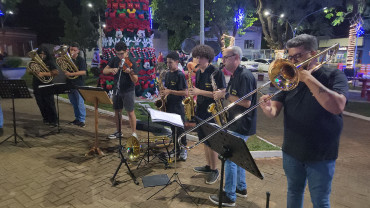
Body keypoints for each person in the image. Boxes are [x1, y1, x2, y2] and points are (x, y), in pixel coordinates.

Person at [259, 34, 348, 208]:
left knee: (320, 200)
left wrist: (307, 78)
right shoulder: (289, 79)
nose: (292, 61)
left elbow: (337, 107)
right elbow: (275, 111)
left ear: (313, 53)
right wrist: (268, 108)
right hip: (292, 150)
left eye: (297, 56)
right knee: (293, 191)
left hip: (321, 153)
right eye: (290, 57)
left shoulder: (333, 75)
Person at [211, 46, 257, 207]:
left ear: (236, 57)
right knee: (238, 157)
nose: (222, 61)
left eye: (225, 57)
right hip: (236, 122)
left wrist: (225, 95)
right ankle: (240, 188)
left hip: (241, 124)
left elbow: (246, 102)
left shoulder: (244, 76)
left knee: (229, 158)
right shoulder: (236, 75)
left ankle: (229, 196)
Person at [189, 45, 226, 185]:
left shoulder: (216, 72)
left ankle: (215, 170)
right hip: (200, 109)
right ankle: (209, 166)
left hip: (212, 111)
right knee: (204, 140)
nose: (198, 59)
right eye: (197, 57)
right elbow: (197, 90)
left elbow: (221, 94)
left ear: (208, 58)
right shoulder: (198, 72)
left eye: (201, 57)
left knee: (213, 142)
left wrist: (199, 92)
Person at [103, 42, 138, 139]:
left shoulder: (132, 62)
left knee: (130, 112)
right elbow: (104, 70)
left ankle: (134, 134)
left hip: (128, 90)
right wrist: (111, 70)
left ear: (127, 52)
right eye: (118, 54)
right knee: (117, 111)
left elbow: (135, 80)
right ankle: (118, 132)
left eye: (122, 54)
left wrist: (130, 72)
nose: (120, 56)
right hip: (117, 89)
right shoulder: (114, 60)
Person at [160, 51, 188, 161]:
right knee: (173, 129)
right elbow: (166, 89)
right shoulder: (167, 74)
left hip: (178, 106)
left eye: (170, 62)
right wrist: (163, 95)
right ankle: (176, 149)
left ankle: (183, 149)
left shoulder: (180, 75)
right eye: (167, 62)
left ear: (177, 62)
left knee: (180, 129)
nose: (168, 65)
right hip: (170, 105)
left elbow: (185, 93)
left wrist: (170, 91)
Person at [30, 47, 59, 127]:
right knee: (41, 104)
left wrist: (43, 74)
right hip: (37, 85)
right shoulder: (34, 62)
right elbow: (29, 71)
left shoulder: (50, 62)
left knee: (50, 104)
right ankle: (46, 118)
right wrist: (33, 70)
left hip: (47, 85)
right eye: (40, 53)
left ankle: (54, 120)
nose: (42, 55)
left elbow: (56, 72)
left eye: (44, 54)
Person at [65, 42, 87, 127]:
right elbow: (64, 69)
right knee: (74, 103)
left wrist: (71, 74)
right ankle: (77, 118)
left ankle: (82, 120)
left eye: (75, 50)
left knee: (80, 103)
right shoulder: (67, 60)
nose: (73, 51)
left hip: (79, 84)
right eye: (71, 49)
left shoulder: (80, 60)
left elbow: (84, 72)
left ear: (78, 51)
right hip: (70, 84)